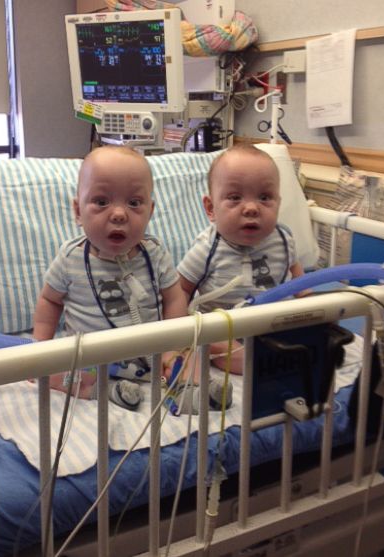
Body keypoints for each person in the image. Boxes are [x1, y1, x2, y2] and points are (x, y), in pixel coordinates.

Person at [32, 146, 187, 410]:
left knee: (192, 359)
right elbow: (50, 299)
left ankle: (193, 394)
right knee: (50, 376)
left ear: (150, 211)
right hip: (90, 361)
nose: (118, 214)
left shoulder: (154, 254)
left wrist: (173, 347)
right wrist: (40, 348)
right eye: (102, 202)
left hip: (149, 357)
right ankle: (106, 392)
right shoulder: (71, 258)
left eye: (134, 203)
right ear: (78, 211)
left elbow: (174, 298)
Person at [177, 144, 305, 376]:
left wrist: (316, 311)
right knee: (228, 352)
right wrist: (180, 335)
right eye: (235, 198)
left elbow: (299, 281)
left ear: (278, 201)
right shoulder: (207, 248)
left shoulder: (283, 240)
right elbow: (181, 291)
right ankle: (256, 364)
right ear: (210, 208)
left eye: (265, 197)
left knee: (308, 342)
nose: (251, 208)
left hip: (271, 324)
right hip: (224, 330)